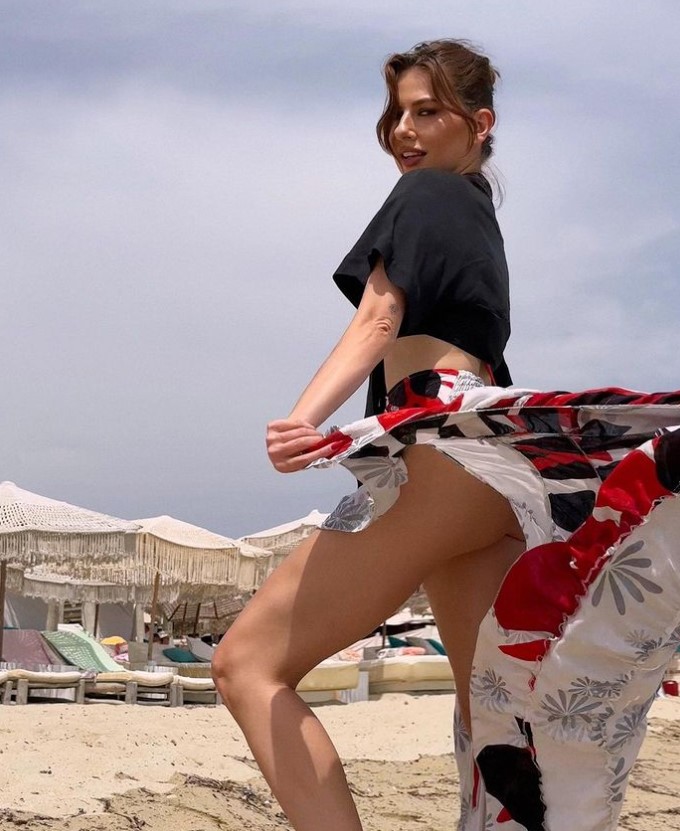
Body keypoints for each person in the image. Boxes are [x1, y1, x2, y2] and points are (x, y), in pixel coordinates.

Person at [212, 39, 680, 831]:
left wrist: (305, 418)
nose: (405, 129)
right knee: (496, 723)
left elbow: (380, 316)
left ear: (479, 123)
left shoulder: (426, 194)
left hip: (440, 462)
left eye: (428, 111)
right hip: (494, 482)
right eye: (398, 112)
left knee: (245, 664)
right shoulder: (479, 221)